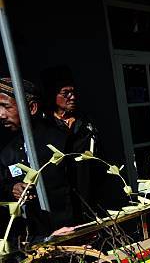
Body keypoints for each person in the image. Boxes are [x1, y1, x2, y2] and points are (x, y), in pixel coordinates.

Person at [0, 78, 74, 241]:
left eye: (6, 106)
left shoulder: (62, 142)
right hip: (33, 239)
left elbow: (82, 189)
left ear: (32, 108)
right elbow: (4, 186)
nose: (1, 115)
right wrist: (13, 188)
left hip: (69, 233)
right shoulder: (8, 152)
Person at [40, 66, 103, 218]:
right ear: (52, 94)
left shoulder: (86, 123)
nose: (72, 97)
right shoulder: (44, 126)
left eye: (73, 92)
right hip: (61, 203)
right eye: (66, 93)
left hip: (87, 195)